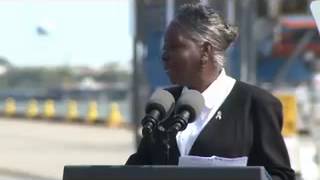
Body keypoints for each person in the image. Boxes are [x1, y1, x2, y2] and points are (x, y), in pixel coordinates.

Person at [126, 3, 295, 180]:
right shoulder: (164, 104)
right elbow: (133, 171)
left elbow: (280, 176)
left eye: (175, 47)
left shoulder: (256, 105)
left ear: (205, 51)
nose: (165, 56)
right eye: (164, 48)